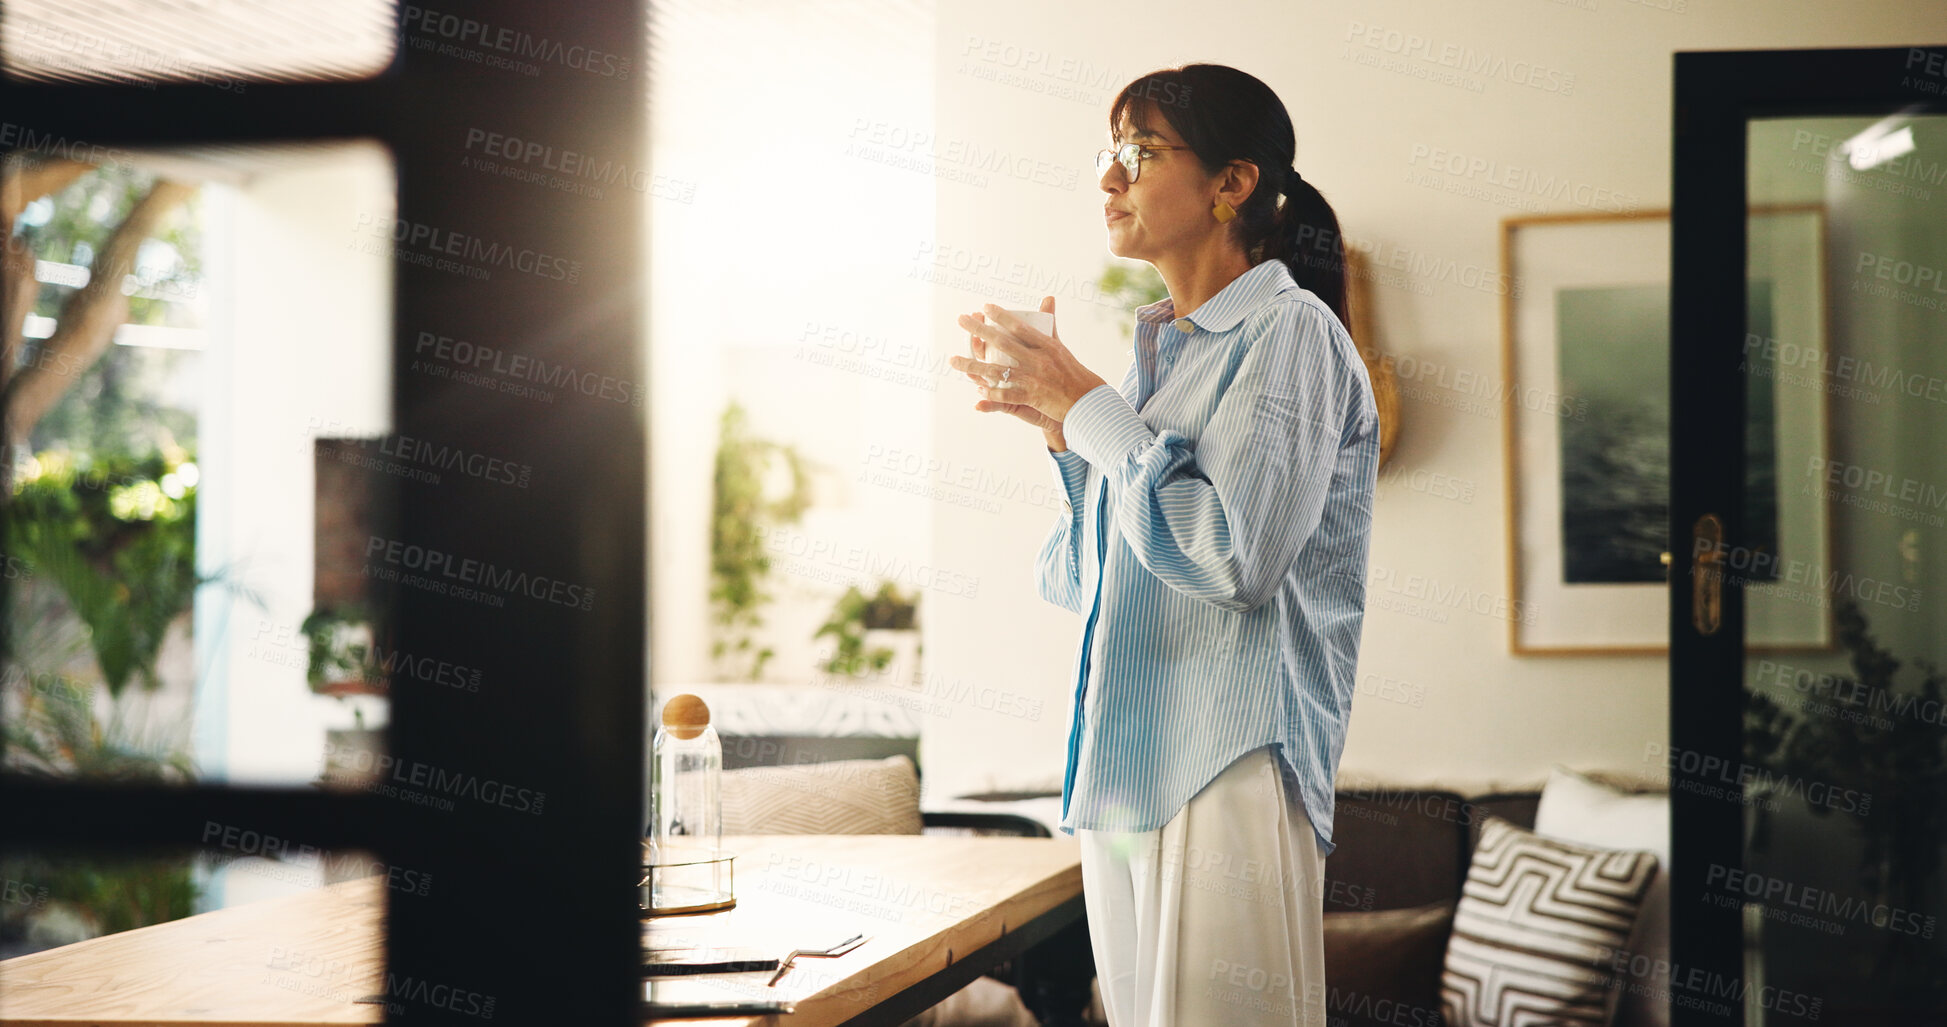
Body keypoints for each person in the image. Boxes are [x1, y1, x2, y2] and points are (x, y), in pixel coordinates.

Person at [947, 63, 1377, 1026]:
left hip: (1227, 756)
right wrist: (1067, 433)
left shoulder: (1288, 331)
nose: (1109, 179)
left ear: (1232, 182)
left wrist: (1090, 408)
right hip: (1121, 770)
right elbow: (1072, 578)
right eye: (1108, 155)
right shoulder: (1156, 365)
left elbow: (1233, 559)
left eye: (1136, 154)